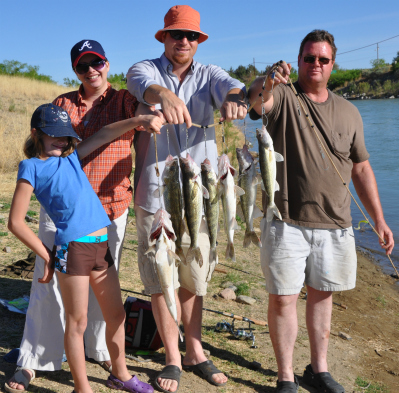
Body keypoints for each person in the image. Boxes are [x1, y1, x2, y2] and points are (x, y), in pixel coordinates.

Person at [248, 30, 394, 393]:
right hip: (286, 220)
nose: (316, 65)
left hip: (336, 223)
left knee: (322, 296)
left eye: (323, 60)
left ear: (333, 65)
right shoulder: (281, 95)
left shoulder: (349, 111)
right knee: (282, 298)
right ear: (297, 62)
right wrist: (268, 78)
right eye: (309, 58)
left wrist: (379, 219)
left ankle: (319, 369)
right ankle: (285, 376)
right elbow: (255, 100)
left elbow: (361, 168)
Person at [5, 40, 141, 392]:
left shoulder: (71, 157)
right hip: (73, 248)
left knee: (116, 315)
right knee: (76, 322)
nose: (59, 140)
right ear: (36, 133)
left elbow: (106, 133)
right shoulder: (32, 167)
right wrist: (46, 254)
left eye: (64, 136)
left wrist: (139, 119)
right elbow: (15, 221)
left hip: (101, 243)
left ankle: (120, 373)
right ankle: (82, 387)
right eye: (52, 135)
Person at [126, 5, 246, 393]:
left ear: (199, 41)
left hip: (199, 194)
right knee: (161, 277)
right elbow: (141, 85)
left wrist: (233, 98)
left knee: (194, 275)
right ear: (164, 37)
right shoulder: (143, 69)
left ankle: (194, 349)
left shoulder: (210, 74)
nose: (184, 41)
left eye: (191, 36)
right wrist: (163, 95)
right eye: (177, 34)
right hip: (154, 192)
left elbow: (233, 87)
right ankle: (172, 357)